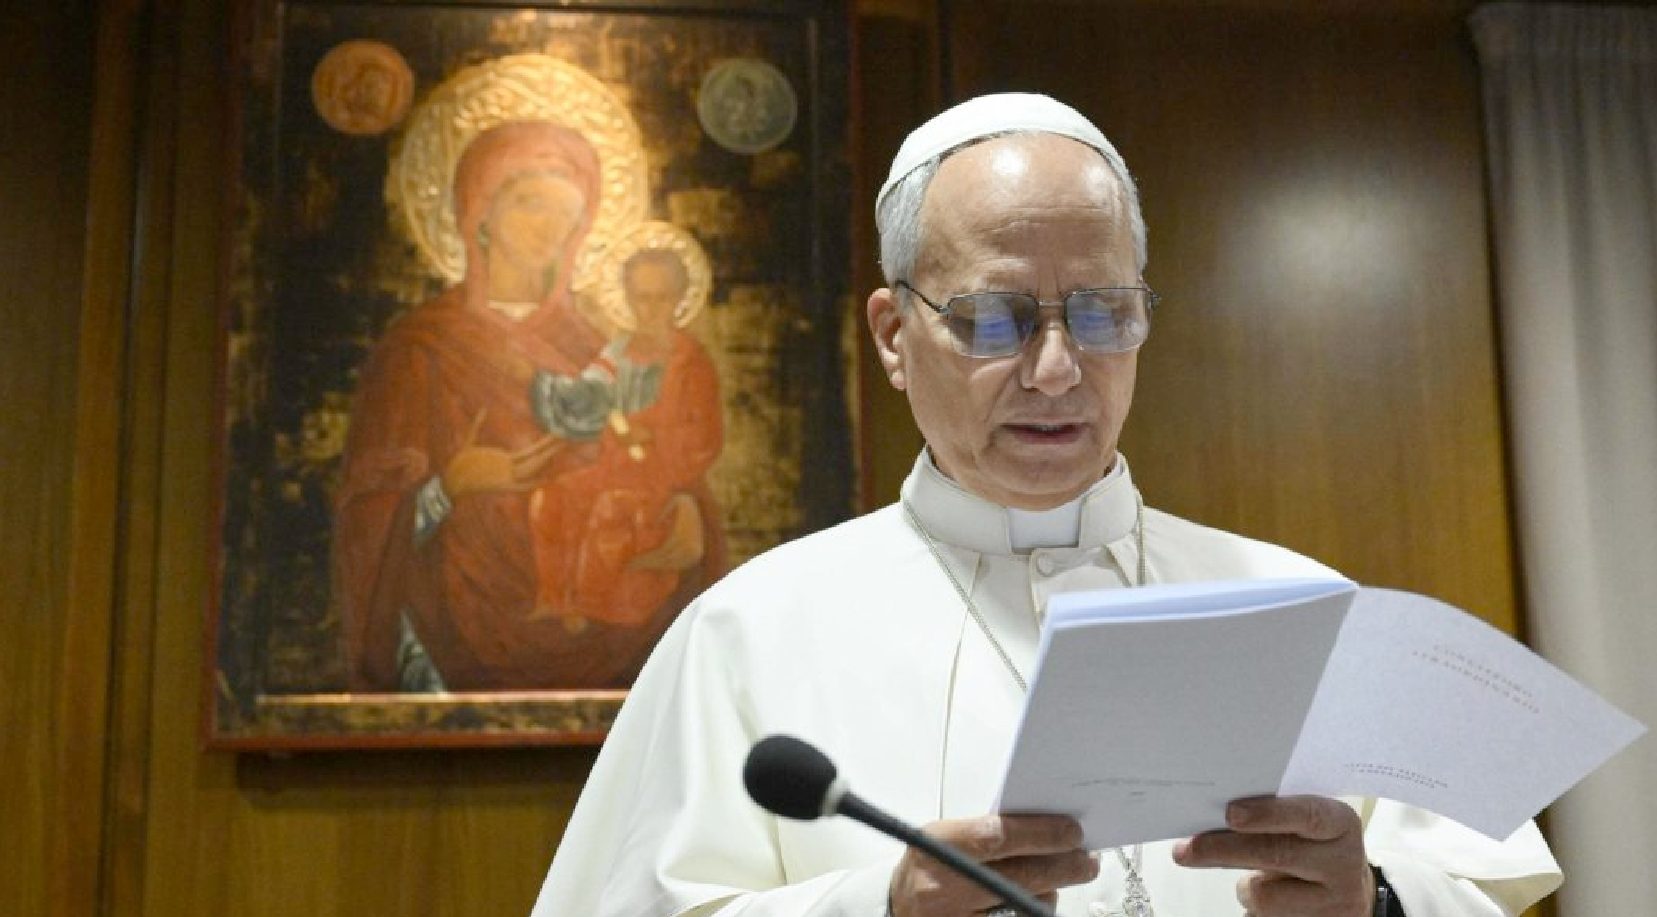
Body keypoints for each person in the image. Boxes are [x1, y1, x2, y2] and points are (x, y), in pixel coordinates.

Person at [529, 94, 1560, 916]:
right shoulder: (743, 631)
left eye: (1104, 312)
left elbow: (1484, 884)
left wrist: (1374, 901)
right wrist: (875, 905)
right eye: (995, 318)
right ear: (892, 335)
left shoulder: (1310, 605)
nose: (1059, 370)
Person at [333, 120, 718, 691]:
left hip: (612, 625)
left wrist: (685, 508)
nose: (550, 227)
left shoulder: (598, 347)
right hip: (455, 633)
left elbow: (658, 448)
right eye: (530, 203)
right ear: (479, 210)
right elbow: (366, 529)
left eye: (568, 212)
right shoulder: (420, 351)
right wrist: (450, 487)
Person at [526, 246, 726, 633]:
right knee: (548, 499)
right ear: (628, 298)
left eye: (661, 298)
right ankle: (555, 599)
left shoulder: (689, 361)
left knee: (610, 508)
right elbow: (590, 396)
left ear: (678, 299)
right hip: (614, 467)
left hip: (666, 478)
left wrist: (649, 431)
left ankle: (592, 608)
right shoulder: (618, 351)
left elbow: (705, 437)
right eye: (641, 298)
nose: (650, 309)